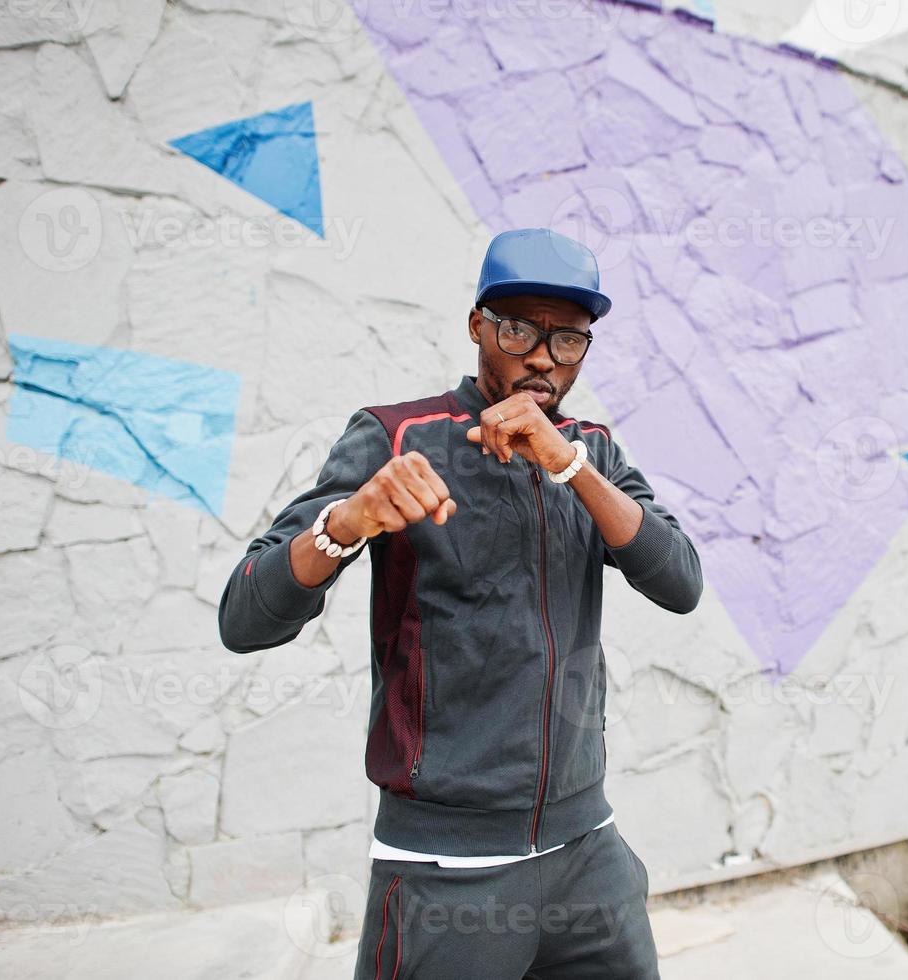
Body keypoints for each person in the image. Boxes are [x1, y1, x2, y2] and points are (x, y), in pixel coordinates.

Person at [217, 228, 704, 979]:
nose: (542, 356)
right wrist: (347, 524)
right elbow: (245, 617)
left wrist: (570, 465)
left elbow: (679, 582)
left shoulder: (592, 452)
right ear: (477, 325)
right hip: (447, 870)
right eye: (519, 329)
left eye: (568, 338)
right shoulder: (396, 436)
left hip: (587, 856)